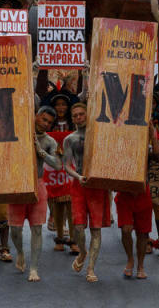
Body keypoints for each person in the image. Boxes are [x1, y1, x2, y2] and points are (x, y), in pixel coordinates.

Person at [9, 106, 60, 282]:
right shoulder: (19, 132)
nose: (46, 124)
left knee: (37, 228)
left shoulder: (49, 141)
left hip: (38, 185)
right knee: (15, 229)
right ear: (36, 116)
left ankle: (34, 268)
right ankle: (20, 253)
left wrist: (40, 151)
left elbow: (58, 164)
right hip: (18, 184)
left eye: (49, 122)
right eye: (44, 119)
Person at [63, 102, 110, 283]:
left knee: (96, 230)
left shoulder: (99, 135)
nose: (78, 118)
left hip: (97, 186)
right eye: (75, 115)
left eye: (82, 114)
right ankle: (82, 252)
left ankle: (91, 268)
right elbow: (67, 165)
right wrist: (79, 176)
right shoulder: (70, 139)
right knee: (78, 227)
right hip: (79, 185)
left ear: (87, 115)